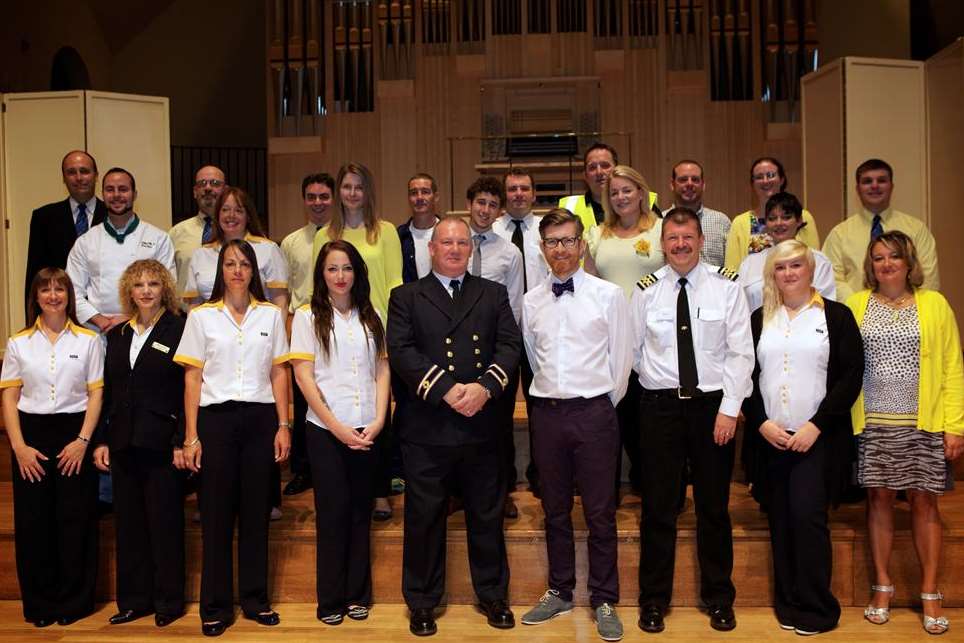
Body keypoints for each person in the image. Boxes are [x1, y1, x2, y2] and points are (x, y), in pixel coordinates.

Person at [387, 216, 521, 637]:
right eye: (447, 242)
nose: (455, 249)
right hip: (428, 428)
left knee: (486, 514)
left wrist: (484, 388)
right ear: (431, 248)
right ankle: (423, 601)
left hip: (482, 425)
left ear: (472, 249)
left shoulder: (493, 294)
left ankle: (493, 594)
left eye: (463, 243)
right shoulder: (406, 297)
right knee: (424, 519)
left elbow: (510, 346)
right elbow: (401, 350)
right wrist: (446, 390)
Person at [631, 208, 753, 634]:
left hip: (711, 410)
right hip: (659, 409)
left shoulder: (727, 288)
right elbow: (632, 352)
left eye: (687, 237)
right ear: (662, 244)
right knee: (658, 509)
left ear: (702, 240)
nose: (680, 245)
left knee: (713, 509)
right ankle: (653, 601)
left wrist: (730, 409)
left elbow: (741, 353)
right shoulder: (646, 291)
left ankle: (719, 597)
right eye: (672, 238)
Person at [520, 209, 632, 642]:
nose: (561, 249)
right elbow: (533, 359)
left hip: (595, 413)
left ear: (582, 244)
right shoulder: (531, 301)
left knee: (601, 512)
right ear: (543, 249)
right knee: (554, 510)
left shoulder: (608, 296)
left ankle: (604, 597)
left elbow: (622, 363)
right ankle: (560, 590)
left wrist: (598, 403)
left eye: (568, 240)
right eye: (552, 242)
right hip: (547, 414)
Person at [742, 240, 864, 635]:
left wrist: (817, 425)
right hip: (771, 437)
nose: (789, 273)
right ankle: (789, 603)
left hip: (817, 438)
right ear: (772, 275)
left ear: (811, 270)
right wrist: (760, 423)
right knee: (780, 520)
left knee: (808, 519)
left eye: (797, 265)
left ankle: (817, 609)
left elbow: (850, 377)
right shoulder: (761, 318)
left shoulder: (836, 317)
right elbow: (744, 375)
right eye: (781, 267)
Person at [846, 231, 962, 636]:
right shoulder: (856, 304)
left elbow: (952, 366)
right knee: (877, 500)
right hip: (873, 421)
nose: (886, 264)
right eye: (878, 258)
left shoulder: (934, 304)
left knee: (924, 503)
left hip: (923, 420)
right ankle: (882, 588)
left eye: (894, 257)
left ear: (909, 262)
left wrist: (955, 425)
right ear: (870, 265)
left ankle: (930, 593)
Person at [173, 239, 291, 637]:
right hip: (215, 421)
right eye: (230, 264)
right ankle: (216, 606)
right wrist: (191, 436)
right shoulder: (201, 317)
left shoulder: (271, 316)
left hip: (260, 420)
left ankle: (256, 600)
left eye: (244, 263)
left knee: (257, 514)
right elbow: (192, 378)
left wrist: (283, 424)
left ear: (254, 270)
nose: (237, 270)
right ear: (220, 270)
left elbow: (279, 373)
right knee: (217, 516)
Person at [290, 239, 390, 625]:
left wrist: (379, 419)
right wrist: (336, 426)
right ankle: (329, 600)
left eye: (347, 268)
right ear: (321, 274)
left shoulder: (372, 314)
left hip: (368, 427)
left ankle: (357, 595)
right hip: (326, 430)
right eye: (332, 269)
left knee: (360, 514)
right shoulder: (306, 316)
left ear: (357, 272)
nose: (340, 276)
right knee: (332, 514)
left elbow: (382, 370)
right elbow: (303, 376)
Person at [1, 268, 103, 627]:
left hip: (74, 433)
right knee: (34, 523)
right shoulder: (19, 342)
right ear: (36, 297)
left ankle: (74, 602)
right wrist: (19, 446)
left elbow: (96, 394)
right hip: (31, 436)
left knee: (75, 519)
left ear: (69, 295)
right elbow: (10, 396)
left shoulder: (88, 340)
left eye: (60, 289)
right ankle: (41, 605)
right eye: (46, 290)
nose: (54, 295)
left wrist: (82, 441)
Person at [92, 259, 187, 627]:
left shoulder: (179, 329)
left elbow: (186, 389)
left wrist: (182, 440)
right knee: (129, 525)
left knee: (165, 525)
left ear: (164, 288)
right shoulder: (117, 335)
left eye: (153, 284)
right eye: (139, 285)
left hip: (163, 443)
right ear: (129, 292)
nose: (146, 290)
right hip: (122, 443)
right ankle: (134, 601)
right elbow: (109, 391)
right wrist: (102, 440)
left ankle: (168, 601)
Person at [314, 162, 403, 521]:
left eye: (359, 187)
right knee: (341, 405)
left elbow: (396, 284)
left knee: (376, 407)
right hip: (336, 331)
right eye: (347, 186)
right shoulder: (325, 234)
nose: (352, 193)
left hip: (374, 328)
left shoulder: (384, 232)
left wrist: (393, 333)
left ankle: (380, 490)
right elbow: (317, 286)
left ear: (368, 192)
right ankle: (343, 484)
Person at [585, 165, 663, 494]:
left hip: (654, 341)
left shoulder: (661, 231)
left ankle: (653, 489)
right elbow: (588, 286)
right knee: (611, 421)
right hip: (609, 343)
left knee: (648, 424)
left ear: (642, 192)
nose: (620, 197)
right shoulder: (596, 235)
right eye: (614, 192)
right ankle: (607, 493)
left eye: (627, 190)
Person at [465, 176, 524, 517]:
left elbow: (514, 306)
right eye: (480, 202)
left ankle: (501, 494)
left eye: (491, 204)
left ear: (499, 210)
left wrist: (505, 351)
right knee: (460, 426)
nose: (485, 210)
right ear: (469, 203)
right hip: (455, 349)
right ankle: (461, 492)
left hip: (494, 350)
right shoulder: (451, 243)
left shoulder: (508, 253)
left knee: (499, 428)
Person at [492, 168, 550, 496]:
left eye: (524, 188)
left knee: (540, 405)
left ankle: (542, 473)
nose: (518, 194)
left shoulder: (547, 229)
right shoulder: (491, 231)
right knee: (499, 410)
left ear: (533, 194)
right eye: (511, 189)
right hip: (500, 334)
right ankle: (504, 477)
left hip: (540, 334)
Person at [66, 167, 176, 333]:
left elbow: (168, 288)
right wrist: (100, 320)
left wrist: (130, 318)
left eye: (123, 189)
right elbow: (72, 290)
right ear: (103, 194)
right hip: (99, 330)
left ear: (135, 194)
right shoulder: (85, 241)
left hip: (146, 327)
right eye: (110, 190)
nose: (116, 195)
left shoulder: (158, 238)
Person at [280, 172, 335, 497]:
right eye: (312, 197)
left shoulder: (343, 235)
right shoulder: (291, 242)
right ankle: (303, 469)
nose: (318, 202)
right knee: (302, 399)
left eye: (323, 196)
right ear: (304, 200)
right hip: (303, 323)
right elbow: (286, 290)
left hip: (337, 319)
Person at [824, 159, 940, 302]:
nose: (874, 186)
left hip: (910, 314)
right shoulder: (839, 234)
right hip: (854, 316)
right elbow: (831, 278)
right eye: (867, 181)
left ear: (891, 186)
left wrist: (911, 307)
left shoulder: (916, 229)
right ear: (857, 189)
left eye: (881, 180)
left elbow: (929, 278)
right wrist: (860, 305)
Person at [24, 150, 107, 316]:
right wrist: (32, 320)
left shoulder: (113, 215)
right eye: (71, 172)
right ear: (63, 178)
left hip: (104, 314)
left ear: (96, 175)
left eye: (84, 171)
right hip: (57, 312)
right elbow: (35, 274)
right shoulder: (44, 217)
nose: (79, 178)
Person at [182, 186, 289, 310]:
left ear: (248, 216)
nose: (231, 215)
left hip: (257, 324)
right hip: (211, 326)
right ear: (217, 215)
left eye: (238, 211)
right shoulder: (201, 254)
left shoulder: (268, 249)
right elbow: (194, 305)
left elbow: (280, 301)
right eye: (225, 210)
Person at [738, 192, 835, 312]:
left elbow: (826, 308)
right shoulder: (750, 263)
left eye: (786, 217)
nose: (778, 223)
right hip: (758, 328)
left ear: (799, 220)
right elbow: (741, 309)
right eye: (772, 218)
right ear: (766, 224)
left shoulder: (819, 262)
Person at [724, 157, 820, 271]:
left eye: (770, 175)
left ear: (782, 179)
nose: (765, 181)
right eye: (759, 177)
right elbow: (731, 270)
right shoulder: (740, 222)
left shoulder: (803, 216)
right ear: (752, 184)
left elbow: (814, 261)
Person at [558, 142, 659, 232]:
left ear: (617, 170)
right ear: (585, 176)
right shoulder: (569, 208)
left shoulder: (644, 201)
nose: (599, 172)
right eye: (592, 167)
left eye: (605, 165)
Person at [169, 165, 227, 303]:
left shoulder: (237, 231)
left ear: (225, 191)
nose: (207, 188)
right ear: (195, 192)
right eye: (202, 184)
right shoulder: (176, 233)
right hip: (184, 317)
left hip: (229, 316)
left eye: (215, 183)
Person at [668, 160, 730, 267]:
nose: (690, 183)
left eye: (695, 180)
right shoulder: (659, 221)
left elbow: (731, 266)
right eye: (683, 179)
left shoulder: (721, 221)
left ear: (703, 185)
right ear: (672, 185)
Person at [399, 173, 441, 284]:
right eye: (414, 193)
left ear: (436, 197)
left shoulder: (451, 234)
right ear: (408, 198)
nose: (419, 197)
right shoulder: (399, 237)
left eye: (425, 192)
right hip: (410, 300)